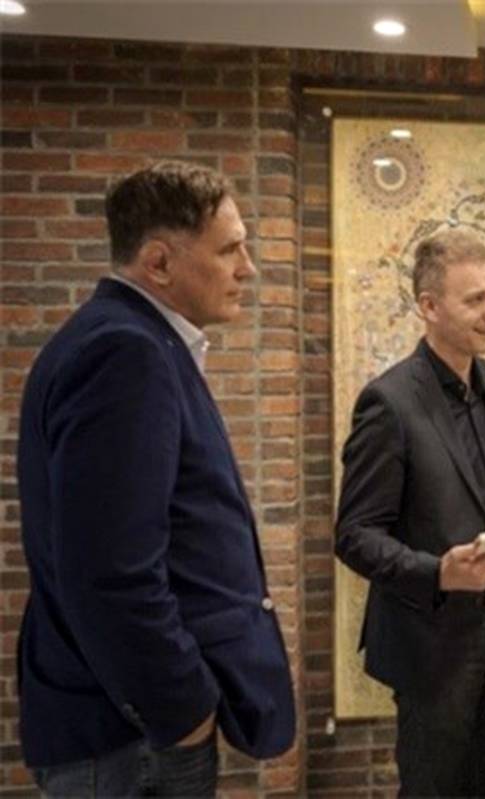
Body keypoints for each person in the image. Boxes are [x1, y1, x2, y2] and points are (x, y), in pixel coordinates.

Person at [17, 161, 296, 796]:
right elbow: (110, 571)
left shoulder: (126, 339)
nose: (248, 268)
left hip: (128, 724)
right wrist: (184, 710)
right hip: (132, 735)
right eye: (229, 249)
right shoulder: (125, 351)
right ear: (160, 263)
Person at [335, 229, 485, 797]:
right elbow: (354, 534)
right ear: (429, 306)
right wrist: (438, 573)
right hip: (433, 645)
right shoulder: (389, 401)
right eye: (476, 300)